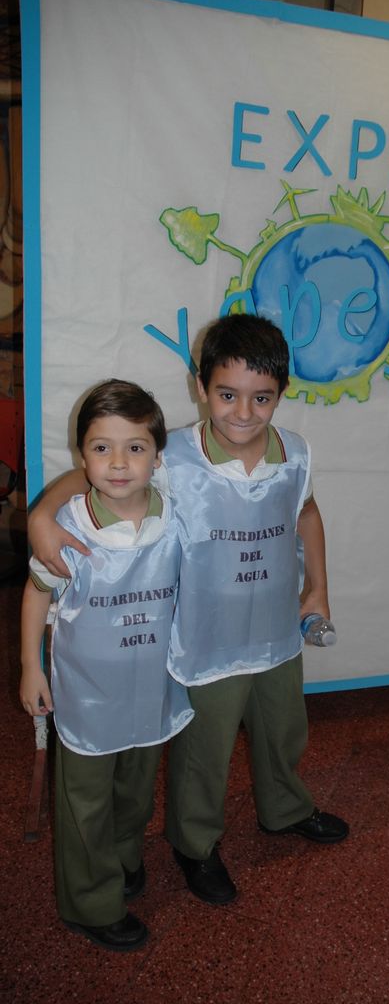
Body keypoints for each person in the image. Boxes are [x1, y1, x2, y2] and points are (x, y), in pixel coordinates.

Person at [28, 315, 348, 909]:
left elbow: (306, 512)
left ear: (281, 393)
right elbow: (89, 474)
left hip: (275, 628)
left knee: (283, 729)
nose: (243, 412)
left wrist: (319, 587)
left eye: (261, 398)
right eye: (227, 394)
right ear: (201, 387)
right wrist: (41, 516)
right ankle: (195, 844)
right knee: (206, 750)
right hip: (206, 640)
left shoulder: (296, 453)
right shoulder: (170, 454)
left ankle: (285, 807)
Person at [20, 380, 193, 951]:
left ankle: (122, 859)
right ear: (82, 455)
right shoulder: (67, 527)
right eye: (101, 448)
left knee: (135, 792)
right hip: (88, 694)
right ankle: (90, 902)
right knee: (85, 802)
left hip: (150, 689)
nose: (118, 463)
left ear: (157, 456)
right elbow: (36, 593)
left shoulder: (177, 517)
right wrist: (30, 667)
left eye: (135, 448)